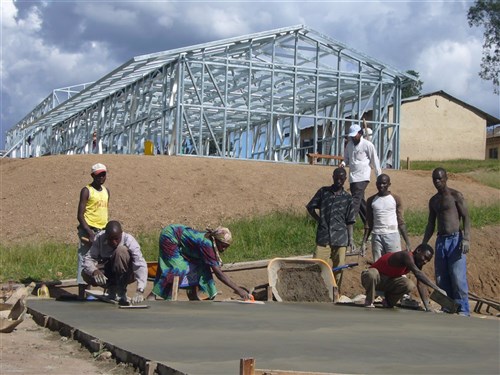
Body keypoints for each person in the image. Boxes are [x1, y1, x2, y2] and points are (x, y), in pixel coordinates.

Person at [151, 224, 251, 301]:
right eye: (223, 246)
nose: (224, 249)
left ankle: (193, 294)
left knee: (202, 266)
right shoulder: (207, 244)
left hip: (179, 238)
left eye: (226, 247)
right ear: (215, 241)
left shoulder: (211, 243)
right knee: (178, 268)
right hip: (170, 235)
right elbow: (218, 273)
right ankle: (153, 295)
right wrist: (239, 290)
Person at [422, 168, 471, 316]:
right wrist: (424, 242)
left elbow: (466, 217)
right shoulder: (434, 200)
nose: (437, 182)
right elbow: (431, 223)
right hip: (441, 240)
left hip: (455, 239)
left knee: (457, 276)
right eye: (434, 179)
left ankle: (463, 309)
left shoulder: (456, 196)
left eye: (439, 178)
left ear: (446, 178)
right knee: (441, 277)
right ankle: (448, 306)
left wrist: (466, 238)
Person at [306, 167, 356, 288]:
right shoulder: (323, 192)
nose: (339, 181)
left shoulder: (348, 198)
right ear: (333, 177)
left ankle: (335, 292)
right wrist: (319, 220)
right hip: (323, 237)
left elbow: (350, 221)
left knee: (339, 268)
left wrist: (351, 239)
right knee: (316, 265)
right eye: (336, 178)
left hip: (341, 238)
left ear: (345, 179)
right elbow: (310, 207)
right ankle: (315, 289)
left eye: (341, 178)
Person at [361, 244, 446, 310]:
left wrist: (427, 306)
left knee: (409, 284)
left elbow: (421, 283)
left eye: (428, 260)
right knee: (372, 273)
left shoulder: (418, 263)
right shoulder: (406, 255)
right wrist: (437, 288)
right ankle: (369, 301)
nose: (425, 261)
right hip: (374, 278)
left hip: (388, 282)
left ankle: (388, 302)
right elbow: (418, 273)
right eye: (425, 257)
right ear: (418, 251)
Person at [82, 221, 148, 306]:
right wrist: (94, 271)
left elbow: (140, 264)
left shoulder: (129, 240)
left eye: (116, 238)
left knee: (121, 251)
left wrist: (140, 290)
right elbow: (88, 259)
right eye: (110, 239)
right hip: (108, 271)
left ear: (121, 233)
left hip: (127, 273)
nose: (114, 242)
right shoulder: (99, 238)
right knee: (85, 273)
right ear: (105, 236)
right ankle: (111, 288)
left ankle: (121, 291)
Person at [340, 121, 382, 231]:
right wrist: (343, 164)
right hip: (353, 177)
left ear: (360, 133)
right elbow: (346, 158)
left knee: (355, 200)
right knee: (362, 202)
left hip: (363, 176)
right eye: (351, 136)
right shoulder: (349, 145)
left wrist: (379, 176)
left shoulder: (368, 145)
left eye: (355, 135)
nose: (353, 138)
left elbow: (375, 161)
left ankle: (348, 224)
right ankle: (371, 225)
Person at [76, 163, 110, 299]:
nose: (101, 177)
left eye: (103, 174)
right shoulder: (86, 190)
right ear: (92, 176)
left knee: (102, 261)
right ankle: (82, 295)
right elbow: (80, 215)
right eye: (98, 175)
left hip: (102, 231)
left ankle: (104, 292)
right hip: (88, 230)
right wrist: (89, 232)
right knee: (84, 260)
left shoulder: (106, 191)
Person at [361, 174, 411, 261]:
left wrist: (408, 242)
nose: (381, 186)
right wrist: (364, 242)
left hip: (392, 235)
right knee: (378, 264)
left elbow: (401, 221)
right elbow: (368, 223)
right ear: (376, 184)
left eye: (384, 183)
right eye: (379, 183)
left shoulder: (396, 199)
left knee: (395, 263)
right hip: (376, 236)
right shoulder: (371, 200)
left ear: (389, 184)